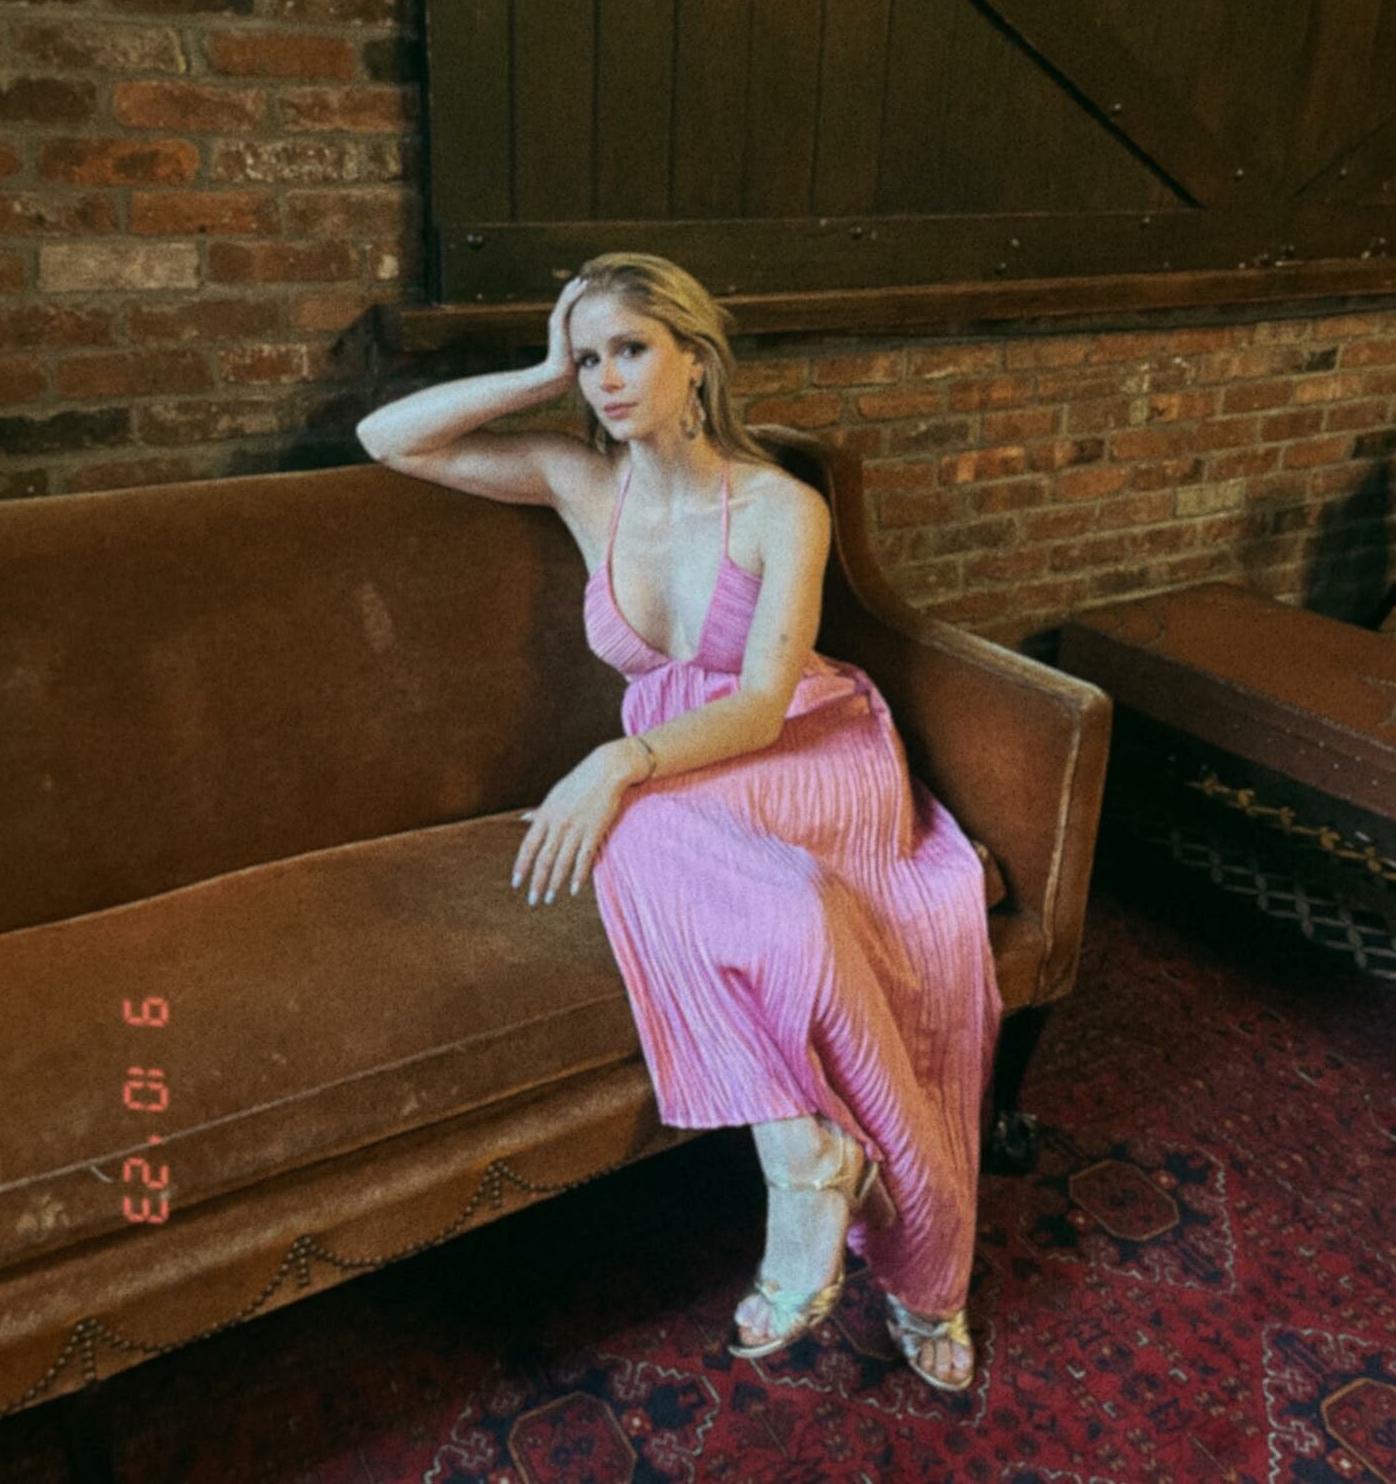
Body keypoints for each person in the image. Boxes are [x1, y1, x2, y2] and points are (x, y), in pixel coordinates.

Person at [355, 253, 1002, 1391]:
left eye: (631, 350)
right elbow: (386, 439)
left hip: (802, 746)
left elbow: (759, 703)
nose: (605, 379)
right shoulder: (576, 479)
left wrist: (618, 759)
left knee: (709, 859)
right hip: (681, 771)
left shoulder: (782, 507)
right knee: (724, 878)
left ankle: (925, 1275)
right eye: (589, 358)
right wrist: (541, 369)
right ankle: (805, 1152)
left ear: (696, 360)